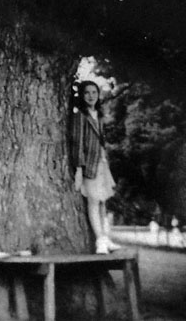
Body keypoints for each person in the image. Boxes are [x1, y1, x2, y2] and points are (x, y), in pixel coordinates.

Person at [71, 81, 121, 254]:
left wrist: (104, 158)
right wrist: (79, 168)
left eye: (94, 92)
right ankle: (100, 240)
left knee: (102, 203)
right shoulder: (80, 116)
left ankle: (105, 238)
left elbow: (101, 141)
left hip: (101, 163)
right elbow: (77, 144)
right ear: (82, 95)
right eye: (87, 93)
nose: (91, 96)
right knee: (93, 201)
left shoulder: (98, 115)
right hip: (88, 165)